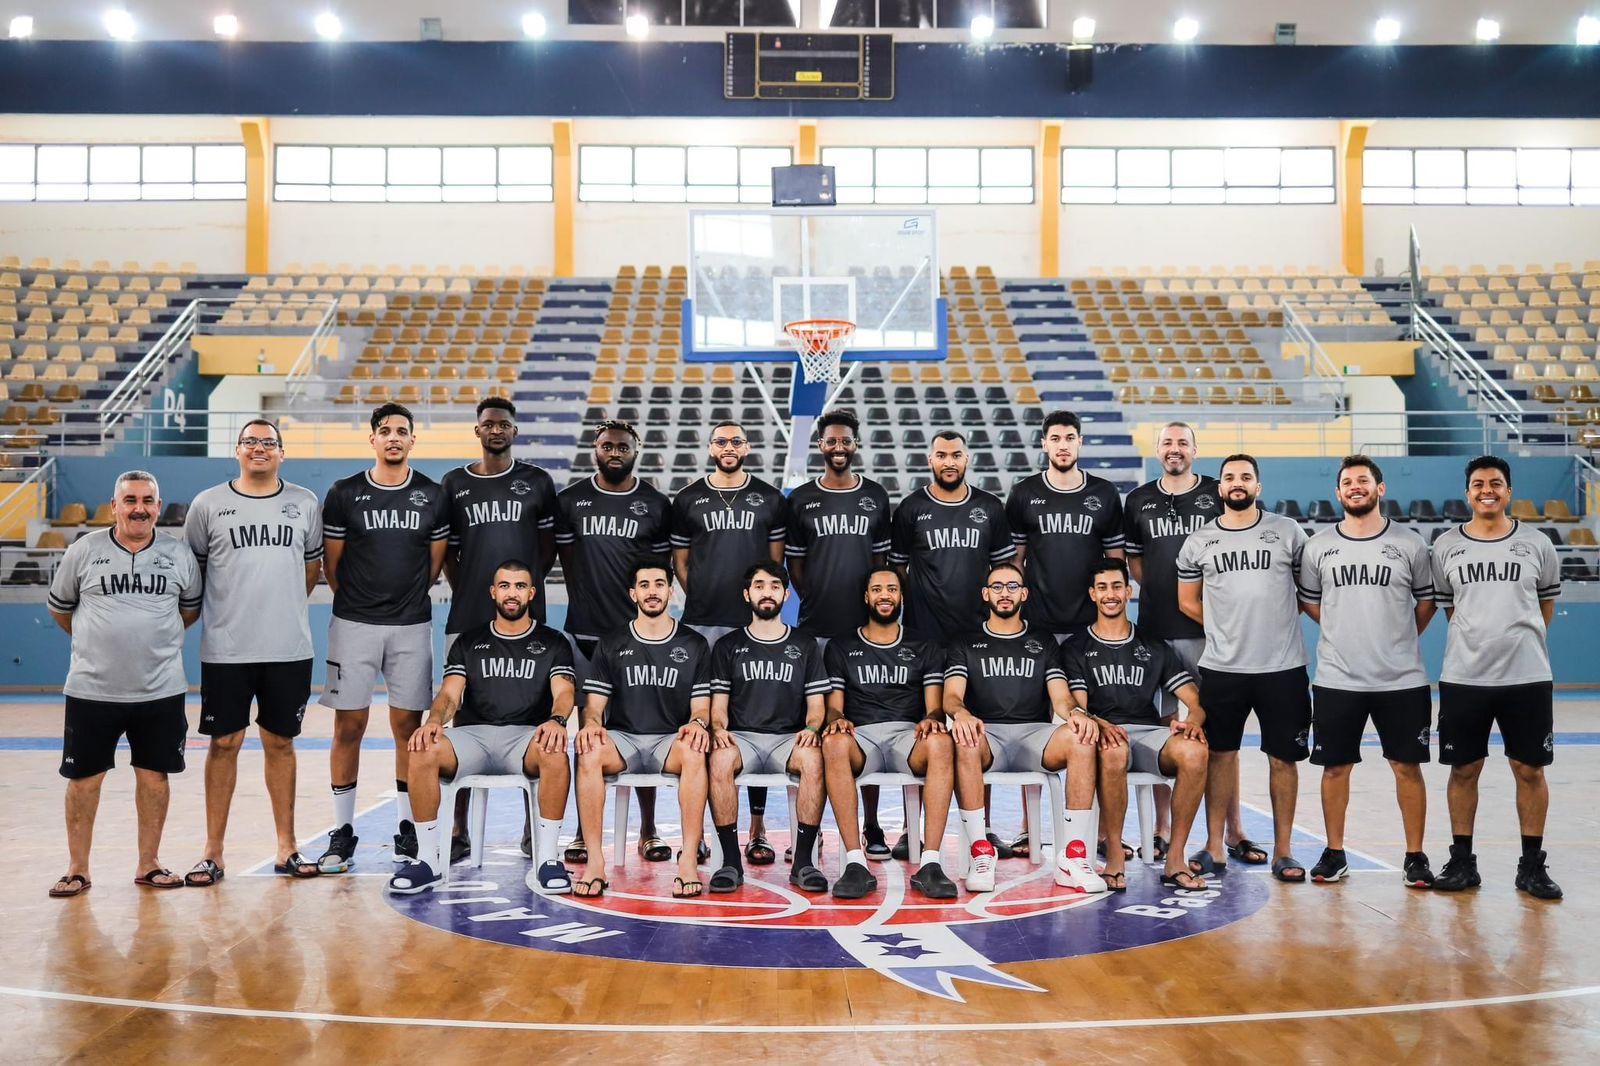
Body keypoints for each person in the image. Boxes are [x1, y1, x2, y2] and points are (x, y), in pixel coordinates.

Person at [182, 419, 324, 886]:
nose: (259, 448)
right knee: (224, 744)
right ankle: (212, 852)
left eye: (269, 442)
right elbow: (194, 576)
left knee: (280, 743)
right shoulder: (207, 505)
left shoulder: (303, 503)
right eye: (251, 442)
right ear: (237, 451)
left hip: (287, 648)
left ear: (282, 453)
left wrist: (278, 610)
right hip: (226, 650)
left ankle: (287, 847)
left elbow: (309, 571)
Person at [48, 471, 202, 897]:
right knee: (84, 780)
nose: (139, 508)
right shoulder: (84, 551)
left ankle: (149, 864)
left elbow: (188, 612)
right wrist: (96, 645)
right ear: (114, 506)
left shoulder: (178, 555)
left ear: (158, 505)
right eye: (130, 499)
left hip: (160, 690)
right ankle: (77, 868)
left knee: (154, 778)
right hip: (91, 690)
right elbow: (62, 610)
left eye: (147, 500)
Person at [387, 560, 576, 895]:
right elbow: (449, 693)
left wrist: (557, 720)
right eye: (504, 586)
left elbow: (564, 691)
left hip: (524, 738)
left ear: (532, 593)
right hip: (474, 737)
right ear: (493, 592)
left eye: (519, 586)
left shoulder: (552, 642)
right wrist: (432, 722)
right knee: (422, 749)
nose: (512, 593)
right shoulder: (470, 642)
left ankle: (547, 859)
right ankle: (428, 861)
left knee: (555, 750)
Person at [317, 403, 450, 872]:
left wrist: (400, 600)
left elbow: (433, 565)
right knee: (347, 726)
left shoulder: (433, 496)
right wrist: (359, 601)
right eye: (385, 431)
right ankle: (342, 831)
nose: (393, 437)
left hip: (411, 624)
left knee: (407, 730)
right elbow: (332, 566)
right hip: (354, 623)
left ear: (413, 440)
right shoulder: (344, 493)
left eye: (402, 431)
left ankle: (406, 828)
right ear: (371, 439)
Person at [1298, 455, 1437, 887]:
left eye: (1363, 480)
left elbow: (1426, 602)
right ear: (1337, 494)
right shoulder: (1318, 546)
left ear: (1381, 488)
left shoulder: (1410, 544)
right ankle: (1335, 852)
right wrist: (1344, 630)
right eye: (1347, 482)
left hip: (1402, 679)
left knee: (1406, 767)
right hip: (1338, 678)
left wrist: (1396, 636)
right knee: (1335, 768)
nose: (1355, 486)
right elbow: (1310, 601)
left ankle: (1415, 855)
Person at [1430, 455, 1563, 899]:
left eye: (1496, 483)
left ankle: (1532, 866)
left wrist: (1518, 640)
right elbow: (1451, 608)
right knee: (1464, 768)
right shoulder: (1446, 545)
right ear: (1467, 492)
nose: (1487, 489)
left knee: (1529, 769)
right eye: (1478, 483)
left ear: (1508, 490)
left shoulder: (1538, 544)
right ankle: (1463, 862)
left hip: (1526, 676)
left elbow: (1544, 608)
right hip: (1465, 677)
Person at [1123, 422, 1255, 866]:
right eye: (1167, 443)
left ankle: (1232, 831)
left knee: (1222, 735)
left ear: (1195, 450)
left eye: (1182, 442)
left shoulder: (1219, 491)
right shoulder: (1138, 500)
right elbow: (1136, 563)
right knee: (1161, 731)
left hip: (1209, 633)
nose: (1174, 449)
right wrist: (1165, 590)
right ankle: (1162, 828)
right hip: (1156, 630)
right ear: (1157, 450)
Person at [1177, 454, 1312, 884]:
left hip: (1283, 666)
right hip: (1223, 667)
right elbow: (1187, 601)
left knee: (1283, 759)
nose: (1238, 483)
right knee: (1219, 755)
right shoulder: (1199, 541)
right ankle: (1215, 846)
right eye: (1230, 477)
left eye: (1246, 477)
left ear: (1258, 485)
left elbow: (1308, 593)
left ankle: (1285, 851)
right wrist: (1225, 628)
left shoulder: (1289, 532)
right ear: (1220, 488)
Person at [942, 560, 1105, 894]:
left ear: (1024, 594)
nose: (1005, 593)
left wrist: (1075, 712)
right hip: (988, 735)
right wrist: (961, 714)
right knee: (964, 739)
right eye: (998, 587)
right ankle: (980, 852)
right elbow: (952, 697)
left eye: (1012, 586)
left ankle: (1073, 856)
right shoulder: (965, 642)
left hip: (1034, 735)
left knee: (1082, 738)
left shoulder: (1042, 641)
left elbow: (1060, 698)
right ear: (986, 594)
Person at [441, 397, 558, 861]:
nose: (496, 430)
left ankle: (535, 829)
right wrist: (472, 586)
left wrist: (521, 590)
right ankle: (457, 830)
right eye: (488, 424)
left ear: (515, 431)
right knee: (461, 720)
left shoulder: (537, 482)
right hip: (469, 615)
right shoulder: (454, 483)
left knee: (537, 719)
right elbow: (447, 552)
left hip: (526, 620)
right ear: (477, 430)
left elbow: (548, 550)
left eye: (504, 424)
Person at [556, 418, 674, 865]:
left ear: (636, 449)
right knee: (586, 737)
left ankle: (647, 828)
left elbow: (656, 574)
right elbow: (567, 560)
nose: (615, 452)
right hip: (585, 635)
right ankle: (585, 833)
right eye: (607, 445)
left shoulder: (655, 504)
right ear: (595, 449)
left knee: (639, 730)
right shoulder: (571, 501)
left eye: (623, 446)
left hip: (637, 641)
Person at [672, 419, 788, 864]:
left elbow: (774, 568)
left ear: (748, 446)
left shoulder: (770, 499)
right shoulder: (688, 499)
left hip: (755, 629)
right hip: (702, 624)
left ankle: (757, 830)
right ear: (709, 446)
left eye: (736, 440)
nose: (728, 447)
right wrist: (701, 594)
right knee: (702, 730)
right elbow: (680, 562)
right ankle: (698, 832)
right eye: (720, 440)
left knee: (755, 722)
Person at [1061, 558, 1210, 892]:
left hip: (1148, 734)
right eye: (1102, 588)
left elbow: (1195, 702)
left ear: (1129, 591)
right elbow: (1079, 708)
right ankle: (1114, 854)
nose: (1110, 594)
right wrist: (1100, 725)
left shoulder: (1152, 645)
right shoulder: (1077, 647)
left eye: (1116, 586)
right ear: (1092, 594)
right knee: (1114, 750)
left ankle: (1175, 859)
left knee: (1195, 752)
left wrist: (1193, 724)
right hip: (1104, 734)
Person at [785, 409, 895, 859]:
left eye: (845, 440)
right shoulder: (801, 500)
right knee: (812, 733)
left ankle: (870, 826)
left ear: (855, 444)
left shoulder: (875, 496)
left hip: (862, 632)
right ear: (820, 445)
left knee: (860, 729)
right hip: (816, 629)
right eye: (830, 440)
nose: (838, 447)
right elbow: (793, 562)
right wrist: (814, 594)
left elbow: (884, 564)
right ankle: (804, 834)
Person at [571, 557, 713, 898]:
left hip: (670, 739)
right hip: (623, 739)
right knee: (588, 750)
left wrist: (696, 723)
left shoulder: (693, 644)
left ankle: (689, 861)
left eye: (659, 584)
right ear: (633, 594)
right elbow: (594, 707)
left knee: (696, 749)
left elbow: (701, 708)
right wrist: (591, 724)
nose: (652, 592)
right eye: (645, 585)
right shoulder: (612, 643)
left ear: (670, 590)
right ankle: (594, 863)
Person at [821, 567, 958, 900]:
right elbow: (834, 707)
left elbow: (935, 707)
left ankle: (931, 863)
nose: (885, 595)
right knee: (833, 741)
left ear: (901, 597)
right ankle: (855, 863)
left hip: (906, 737)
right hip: (862, 736)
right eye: (878, 589)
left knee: (941, 741)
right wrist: (836, 719)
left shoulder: (923, 646)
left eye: (892, 589)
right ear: (866, 596)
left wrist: (933, 718)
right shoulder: (842, 646)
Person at [705, 561, 832, 895]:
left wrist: (812, 727)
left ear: (786, 594)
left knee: (814, 758)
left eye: (775, 586)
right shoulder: (727, 646)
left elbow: (817, 707)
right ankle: (731, 861)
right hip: (743, 737)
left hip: (788, 738)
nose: (767, 592)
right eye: (759, 585)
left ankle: (804, 861)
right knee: (718, 758)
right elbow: (718, 707)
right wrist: (718, 729)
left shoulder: (805, 645)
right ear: (747, 594)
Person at [1006, 409, 1125, 642]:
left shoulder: (1104, 492)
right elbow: (1015, 562)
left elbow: (1116, 562)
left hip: (1092, 621)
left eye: (1070, 438)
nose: (1063, 446)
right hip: (1037, 620)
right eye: (1055, 439)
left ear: (1080, 442)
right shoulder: (1023, 492)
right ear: (1044, 444)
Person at [890, 429, 1016, 642]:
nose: (949, 462)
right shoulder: (911, 507)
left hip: (978, 628)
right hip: (923, 631)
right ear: (930, 460)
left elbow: (1003, 571)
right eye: (941, 455)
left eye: (956, 455)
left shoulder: (990, 506)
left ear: (967, 459)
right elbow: (897, 567)